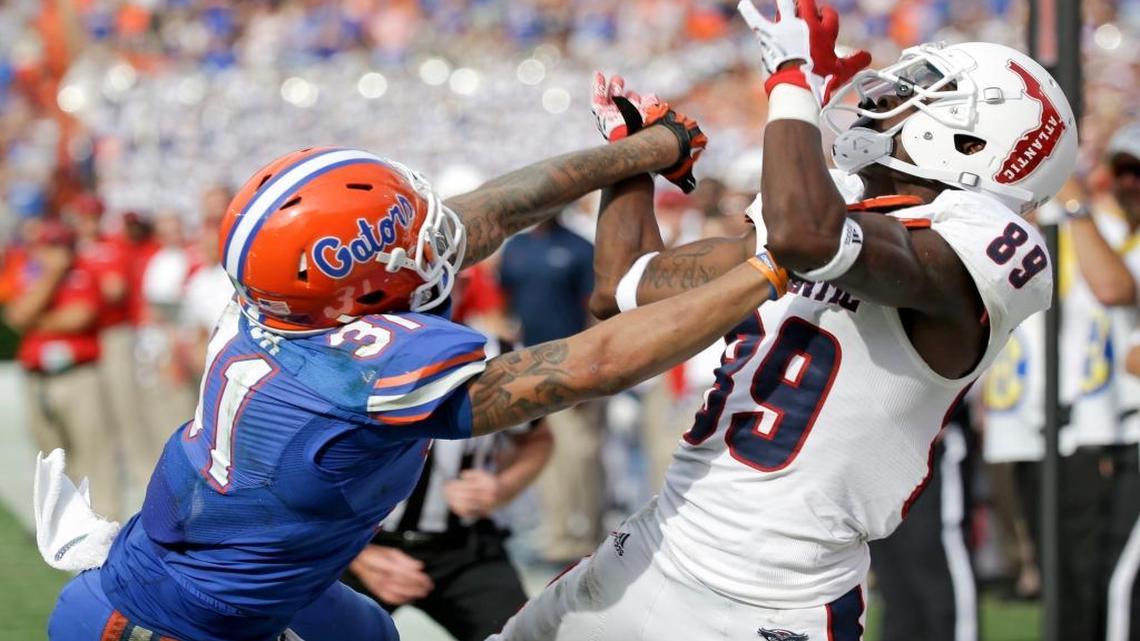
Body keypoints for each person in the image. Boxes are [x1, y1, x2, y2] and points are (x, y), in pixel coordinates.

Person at [44, 112, 792, 641]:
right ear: (358, 286)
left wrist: (642, 149)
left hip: (217, 576)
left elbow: (486, 212)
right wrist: (775, 265)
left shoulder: (275, 306)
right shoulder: (352, 372)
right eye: (411, 240)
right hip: (173, 623)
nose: (436, 244)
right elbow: (591, 364)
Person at [489, 1, 1077, 638]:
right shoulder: (837, 216)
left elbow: (807, 238)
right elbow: (623, 283)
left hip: (771, 602)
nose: (885, 99)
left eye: (920, 95)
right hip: (655, 546)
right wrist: (634, 159)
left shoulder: (974, 248)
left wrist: (793, 76)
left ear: (973, 144)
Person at [345, 333, 553, 641]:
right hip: (357, 543)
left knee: (527, 635)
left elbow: (538, 439)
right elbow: (287, 467)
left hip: (463, 547)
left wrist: (502, 487)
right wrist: (355, 555)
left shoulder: (498, 353)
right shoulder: (349, 351)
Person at [1057, 123, 1140, 641]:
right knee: (1095, 579)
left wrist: (1074, 207)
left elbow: (1112, 290)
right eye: (1122, 171)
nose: (1130, 183)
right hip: (1111, 427)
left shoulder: (1105, 234)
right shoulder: (1121, 238)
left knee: (1122, 584)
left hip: (1127, 428)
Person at [499, 213, 602, 564]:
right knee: (546, 453)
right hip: (530, 366)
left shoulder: (579, 247)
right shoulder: (517, 246)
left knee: (581, 453)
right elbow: (505, 301)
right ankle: (558, 534)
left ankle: (588, 534)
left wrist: (590, 370)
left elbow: (596, 311)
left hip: (573, 365)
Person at [6, 221, 121, 519]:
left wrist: (36, 322)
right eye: (50, 246)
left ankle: (104, 522)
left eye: (61, 246)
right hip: (38, 378)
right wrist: (51, 277)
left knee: (94, 453)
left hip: (77, 374)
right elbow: (17, 314)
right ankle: (60, 523)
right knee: (51, 457)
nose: (57, 254)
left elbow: (79, 317)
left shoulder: (84, 272)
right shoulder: (30, 273)